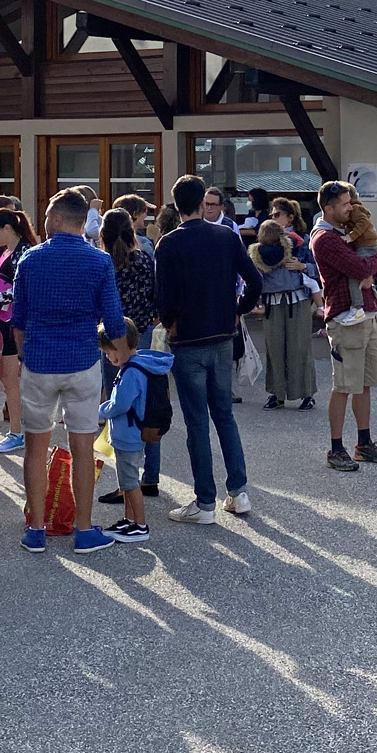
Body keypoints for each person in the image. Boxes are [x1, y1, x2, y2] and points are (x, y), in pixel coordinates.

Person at [13, 189, 128, 555]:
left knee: (35, 446)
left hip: (40, 361)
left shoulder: (30, 260)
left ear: (59, 218)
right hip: (82, 361)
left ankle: (35, 529)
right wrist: (122, 355)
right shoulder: (99, 262)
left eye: (47, 214)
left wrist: (25, 353)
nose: (43, 221)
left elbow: (18, 319)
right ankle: (84, 529)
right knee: (82, 447)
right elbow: (113, 320)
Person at [155, 174, 264, 521]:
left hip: (186, 338)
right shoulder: (226, 236)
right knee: (225, 416)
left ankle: (204, 501)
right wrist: (238, 309)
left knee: (197, 423)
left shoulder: (168, 244)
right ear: (204, 202)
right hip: (222, 334)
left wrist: (170, 320)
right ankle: (239, 491)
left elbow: (164, 299)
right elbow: (255, 280)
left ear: (176, 205)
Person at [309, 180, 377, 472]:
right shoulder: (325, 238)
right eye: (345, 204)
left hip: (366, 315)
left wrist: (374, 261)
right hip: (345, 318)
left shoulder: (344, 233)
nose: (351, 207)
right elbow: (361, 267)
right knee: (344, 385)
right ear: (328, 208)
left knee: (364, 383)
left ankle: (364, 444)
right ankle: (336, 449)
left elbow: (370, 264)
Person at [94, 208, 163, 505]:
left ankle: (126, 481)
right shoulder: (144, 259)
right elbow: (155, 298)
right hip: (141, 336)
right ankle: (150, 476)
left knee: (119, 405)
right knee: (148, 405)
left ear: (102, 235)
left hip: (111, 336)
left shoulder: (102, 263)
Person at [96, 317, 171, 544]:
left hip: (128, 435)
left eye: (110, 353)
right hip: (130, 434)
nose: (109, 359)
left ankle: (139, 524)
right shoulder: (138, 365)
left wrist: (98, 411)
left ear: (120, 345)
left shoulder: (131, 373)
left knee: (129, 484)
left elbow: (120, 404)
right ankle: (129, 520)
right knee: (127, 483)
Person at [0, 206, 33, 455]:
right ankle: (3, 431)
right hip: (0, 320)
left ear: (7, 228)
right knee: (1, 377)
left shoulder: (23, 252)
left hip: (11, 321)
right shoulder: (5, 251)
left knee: (10, 380)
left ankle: (16, 432)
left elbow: (23, 289)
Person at [251, 219, 317, 410]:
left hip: (295, 299)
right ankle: (277, 393)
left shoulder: (299, 244)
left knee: (298, 347)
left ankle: (305, 394)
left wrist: (303, 267)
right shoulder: (258, 254)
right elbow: (254, 280)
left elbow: (318, 268)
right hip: (275, 303)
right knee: (276, 350)